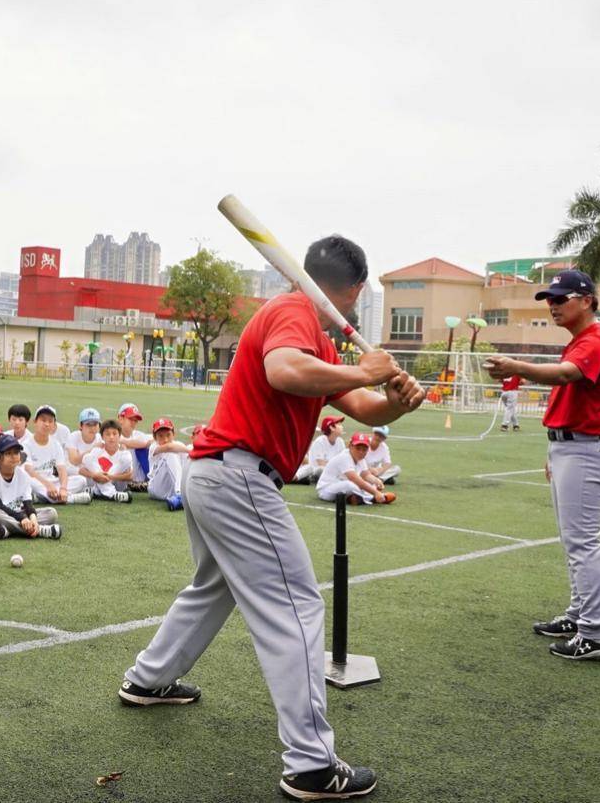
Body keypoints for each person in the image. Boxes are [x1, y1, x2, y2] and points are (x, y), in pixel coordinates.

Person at [117, 234, 424, 800]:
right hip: (237, 476)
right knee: (297, 605)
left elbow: (362, 407)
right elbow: (284, 370)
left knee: (213, 588)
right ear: (353, 290)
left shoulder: (319, 340)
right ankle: (311, 764)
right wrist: (365, 372)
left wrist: (397, 402)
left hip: (215, 473)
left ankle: (148, 678)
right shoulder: (293, 311)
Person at [485, 269, 600, 661]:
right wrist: (554, 452)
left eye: (561, 298)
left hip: (583, 450)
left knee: (582, 543)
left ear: (587, 301)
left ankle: (596, 632)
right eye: (551, 298)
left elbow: (566, 375)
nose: (553, 304)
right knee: (575, 542)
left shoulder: (595, 340)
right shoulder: (584, 340)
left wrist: (516, 365)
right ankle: (582, 616)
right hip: (571, 449)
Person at [0, 434, 63, 540]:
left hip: (14, 515)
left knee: (51, 513)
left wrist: (33, 519)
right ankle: (39, 530)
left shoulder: (23, 475)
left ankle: (6, 531)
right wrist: (22, 518)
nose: (13, 456)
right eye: (8, 453)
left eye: (16, 452)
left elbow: (28, 504)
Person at [22, 405, 90, 505]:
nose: (46, 424)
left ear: (54, 425)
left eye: (50, 421)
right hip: (37, 481)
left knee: (82, 480)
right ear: (35, 422)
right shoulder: (26, 444)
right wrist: (47, 484)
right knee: (27, 482)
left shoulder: (55, 444)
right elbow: (29, 471)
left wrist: (63, 488)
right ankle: (71, 499)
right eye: (43, 420)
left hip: (53, 481)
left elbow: (62, 469)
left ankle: (42, 498)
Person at [316, 432, 396, 505]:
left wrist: (376, 481)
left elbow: (366, 475)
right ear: (350, 446)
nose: (361, 452)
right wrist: (375, 492)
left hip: (340, 486)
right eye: (358, 448)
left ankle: (354, 499)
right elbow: (354, 479)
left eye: (364, 449)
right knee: (350, 484)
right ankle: (373, 498)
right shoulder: (344, 457)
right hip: (326, 489)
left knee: (366, 484)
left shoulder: (360, 459)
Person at [81, 419, 134, 503]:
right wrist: (95, 475)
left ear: (119, 435)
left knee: (126, 458)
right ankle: (112, 494)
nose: (111, 437)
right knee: (87, 458)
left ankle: (96, 491)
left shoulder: (124, 453)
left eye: (114, 433)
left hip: (118, 487)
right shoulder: (97, 451)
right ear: (102, 437)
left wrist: (109, 477)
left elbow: (130, 476)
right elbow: (81, 470)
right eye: (108, 434)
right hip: (111, 489)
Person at [147, 417, 191, 510]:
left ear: (173, 434)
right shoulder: (153, 447)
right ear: (155, 437)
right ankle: (180, 494)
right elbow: (169, 447)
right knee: (170, 454)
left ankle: (179, 497)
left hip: (171, 489)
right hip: (156, 488)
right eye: (161, 436)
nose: (165, 439)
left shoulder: (179, 445)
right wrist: (189, 450)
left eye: (168, 435)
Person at [292, 416, 346, 485]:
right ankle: (294, 479)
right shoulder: (320, 441)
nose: (341, 426)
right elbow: (321, 463)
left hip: (333, 471)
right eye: (339, 424)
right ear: (331, 428)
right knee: (320, 469)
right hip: (316, 471)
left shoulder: (340, 441)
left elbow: (342, 462)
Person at [116, 403, 152, 491]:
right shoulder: (112, 434)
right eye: (131, 419)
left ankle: (150, 480)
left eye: (135, 420)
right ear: (120, 419)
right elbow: (123, 441)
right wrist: (145, 444)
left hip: (138, 481)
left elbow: (156, 441)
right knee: (123, 447)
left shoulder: (138, 435)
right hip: (118, 479)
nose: (133, 423)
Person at [66, 408, 103, 473]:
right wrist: (93, 449)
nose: (92, 428)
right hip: (75, 474)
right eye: (88, 424)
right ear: (80, 425)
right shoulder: (74, 436)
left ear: (99, 426)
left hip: (93, 474)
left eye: (95, 424)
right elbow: (74, 461)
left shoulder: (101, 438)